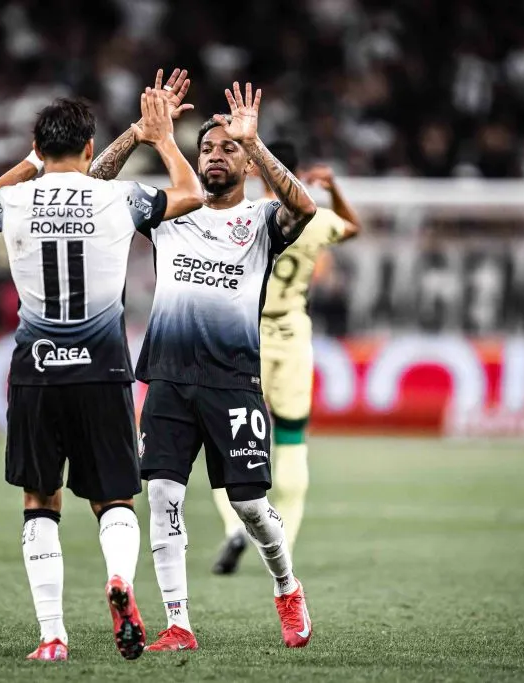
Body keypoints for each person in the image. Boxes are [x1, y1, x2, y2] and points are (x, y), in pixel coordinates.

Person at [0, 73, 202, 662]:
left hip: (36, 371)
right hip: (103, 371)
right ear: (89, 150)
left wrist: (31, 162)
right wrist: (160, 138)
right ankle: (119, 580)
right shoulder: (117, 198)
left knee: (39, 501)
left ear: (37, 144)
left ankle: (52, 636)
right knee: (115, 500)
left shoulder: (13, 201)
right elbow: (191, 194)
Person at [89, 82, 318, 651]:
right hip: (166, 376)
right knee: (164, 496)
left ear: (245, 161)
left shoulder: (263, 221)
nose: (216, 154)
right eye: (208, 148)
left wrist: (257, 142)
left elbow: (306, 208)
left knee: (250, 505)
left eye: (227, 149)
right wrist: (140, 134)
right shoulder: (170, 210)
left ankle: (287, 588)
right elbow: (92, 187)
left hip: (234, 382)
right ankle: (179, 624)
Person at [210, 144, 361, 574]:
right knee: (292, 440)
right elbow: (352, 226)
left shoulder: (246, 216)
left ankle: (234, 528)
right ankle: (284, 543)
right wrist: (333, 189)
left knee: (230, 443)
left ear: (258, 168)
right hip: (293, 332)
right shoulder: (312, 217)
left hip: (246, 334)